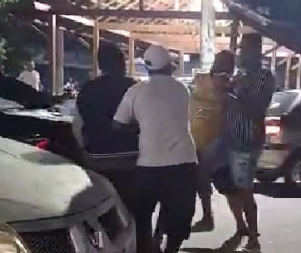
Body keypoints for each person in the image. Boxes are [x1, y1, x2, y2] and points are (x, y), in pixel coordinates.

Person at [113, 44, 198, 253]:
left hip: (149, 164)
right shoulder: (182, 89)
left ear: (148, 67)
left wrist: (140, 126)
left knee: (141, 216)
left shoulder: (136, 91)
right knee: (178, 215)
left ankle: (147, 247)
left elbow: (118, 124)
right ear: (169, 66)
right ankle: (170, 250)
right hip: (184, 162)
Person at [223, 33, 275, 253]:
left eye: (245, 48)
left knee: (245, 190)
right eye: (240, 48)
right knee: (230, 188)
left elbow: (255, 108)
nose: (241, 53)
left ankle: (254, 239)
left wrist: (229, 95)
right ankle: (241, 228)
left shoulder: (264, 77)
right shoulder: (239, 75)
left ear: (257, 51)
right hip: (230, 139)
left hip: (247, 141)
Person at [71, 42, 138, 209]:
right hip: (132, 157)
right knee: (138, 209)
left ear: (101, 65)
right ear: (123, 63)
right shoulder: (135, 88)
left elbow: (77, 127)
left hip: (97, 158)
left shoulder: (87, 90)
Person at [190, 50, 236, 232]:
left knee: (226, 185)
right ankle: (208, 217)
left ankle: (240, 224)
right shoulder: (201, 79)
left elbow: (232, 109)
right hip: (198, 138)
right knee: (202, 182)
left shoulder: (230, 87)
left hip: (216, 141)